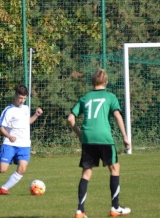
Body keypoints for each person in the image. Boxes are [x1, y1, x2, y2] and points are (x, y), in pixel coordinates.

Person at [67, 69, 131, 218]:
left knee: (87, 172)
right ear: (106, 81)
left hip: (88, 138)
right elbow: (117, 115)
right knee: (114, 168)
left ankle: (80, 211)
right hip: (104, 137)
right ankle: (115, 207)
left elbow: (70, 119)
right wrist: (125, 137)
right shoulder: (110, 97)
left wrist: (80, 134)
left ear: (92, 82)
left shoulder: (85, 97)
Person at [0, 84, 43, 195]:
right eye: (20, 98)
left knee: (22, 168)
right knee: (2, 169)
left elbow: (26, 123)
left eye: (24, 98)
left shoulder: (26, 109)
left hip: (24, 145)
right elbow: (1, 127)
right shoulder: (8, 110)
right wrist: (9, 136)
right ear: (15, 96)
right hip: (10, 144)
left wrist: (36, 115)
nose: (22, 101)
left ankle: (4, 188)